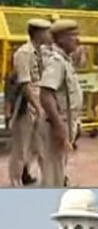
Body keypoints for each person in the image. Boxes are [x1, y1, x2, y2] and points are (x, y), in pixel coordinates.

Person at [37, 20, 83, 188]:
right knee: (53, 175)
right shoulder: (56, 61)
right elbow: (46, 95)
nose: (78, 40)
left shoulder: (65, 60)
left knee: (59, 170)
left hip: (64, 122)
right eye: (73, 36)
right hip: (55, 125)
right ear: (62, 39)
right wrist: (58, 126)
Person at [7, 18, 51, 186]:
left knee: (40, 146)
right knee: (21, 147)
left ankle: (50, 179)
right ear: (38, 33)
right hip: (26, 105)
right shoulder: (23, 53)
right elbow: (25, 83)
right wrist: (37, 107)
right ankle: (16, 182)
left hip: (40, 103)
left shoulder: (42, 52)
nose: (49, 35)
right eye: (46, 31)